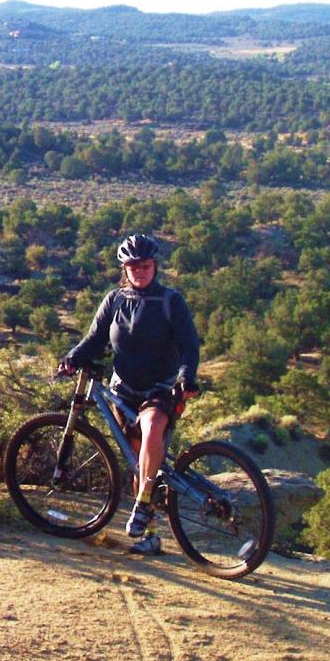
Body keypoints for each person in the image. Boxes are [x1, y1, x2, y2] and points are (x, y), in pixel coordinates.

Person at [59, 233, 201, 555]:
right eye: (133, 266)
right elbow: (95, 339)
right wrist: (73, 357)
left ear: (155, 267)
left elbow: (189, 346)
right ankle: (150, 536)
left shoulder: (170, 301)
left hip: (161, 388)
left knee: (151, 427)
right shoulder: (115, 300)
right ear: (125, 268)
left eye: (146, 265)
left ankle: (142, 503)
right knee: (140, 463)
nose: (140, 271)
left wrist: (185, 377)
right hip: (123, 388)